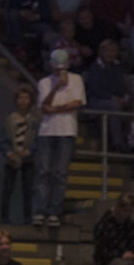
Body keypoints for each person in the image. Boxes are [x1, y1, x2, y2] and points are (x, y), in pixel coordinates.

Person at [33, 48, 85, 228]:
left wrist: (55, 109)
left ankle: (54, 211)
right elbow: (44, 106)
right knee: (44, 172)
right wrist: (55, 88)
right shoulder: (44, 82)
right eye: (56, 68)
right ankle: (40, 210)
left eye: (61, 68)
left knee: (60, 174)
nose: (59, 72)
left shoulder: (77, 80)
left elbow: (77, 103)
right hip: (47, 131)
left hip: (67, 131)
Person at [0, 85, 38, 224]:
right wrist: (8, 152)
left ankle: (27, 218)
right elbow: (2, 140)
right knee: (7, 189)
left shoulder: (34, 121)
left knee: (28, 190)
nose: (23, 101)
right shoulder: (9, 120)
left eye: (26, 98)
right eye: (20, 98)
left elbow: (37, 140)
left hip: (28, 158)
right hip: (12, 157)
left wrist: (28, 151)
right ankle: (4, 218)